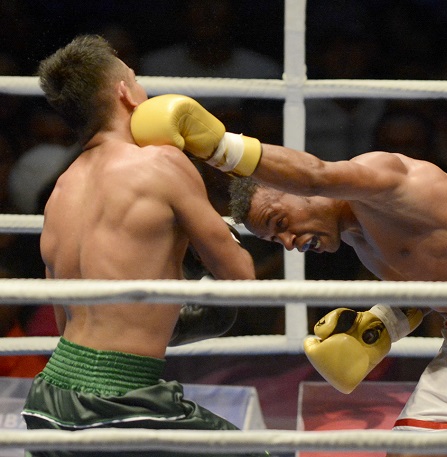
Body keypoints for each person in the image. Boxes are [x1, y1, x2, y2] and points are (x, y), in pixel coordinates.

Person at [130, 94, 447, 457]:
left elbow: (319, 173)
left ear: (297, 188)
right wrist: (384, 323)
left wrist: (221, 150)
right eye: (272, 239)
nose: (287, 242)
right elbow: (432, 285)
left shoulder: (387, 179)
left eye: (281, 222)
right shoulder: (361, 240)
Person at [20, 36, 267, 457]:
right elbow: (240, 276)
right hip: (119, 399)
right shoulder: (162, 163)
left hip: (48, 400)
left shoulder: (60, 191)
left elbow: (65, 320)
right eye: (137, 80)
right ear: (125, 92)